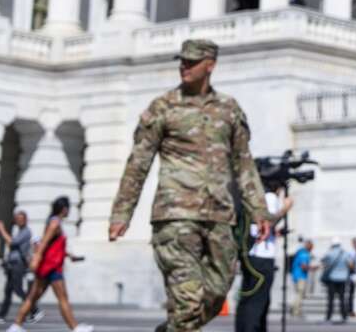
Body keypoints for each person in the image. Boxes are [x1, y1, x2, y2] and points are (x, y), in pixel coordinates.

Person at [108, 38, 269, 332]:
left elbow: (243, 163)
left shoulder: (229, 109)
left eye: (192, 62)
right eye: (182, 61)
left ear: (211, 65)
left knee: (217, 292)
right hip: (175, 216)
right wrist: (122, 214)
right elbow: (138, 164)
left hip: (219, 216)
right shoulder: (162, 107)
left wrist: (259, 210)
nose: (184, 66)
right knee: (188, 302)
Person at [6, 196, 91, 332]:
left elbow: (53, 246)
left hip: (47, 266)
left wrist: (69, 256)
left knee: (33, 297)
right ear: (64, 209)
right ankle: (75, 328)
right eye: (69, 208)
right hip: (51, 267)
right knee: (62, 298)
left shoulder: (54, 222)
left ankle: (16, 326)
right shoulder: (55, 223)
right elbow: (44, 243)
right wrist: (36, 259)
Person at [235, 188, 294, 332]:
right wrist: (285, 208)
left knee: (249, 301)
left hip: (251, 257)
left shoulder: (253, 196)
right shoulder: (269, 197)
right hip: (262, 258)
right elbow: (267, 221)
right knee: (257, 304)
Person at [0, 208, 41, 324]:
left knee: (18, 289)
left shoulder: (26, 232)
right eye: (17, 219)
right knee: (8, 291)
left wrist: (2, 230)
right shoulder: (19, 231)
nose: (19, 221)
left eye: (21, 219)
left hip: (18, 265)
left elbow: (12, 243)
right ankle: (1, 315)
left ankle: (34, 310)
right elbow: (12, 245)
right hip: (12, 264)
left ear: (26, 220)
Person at [320, 238, 353, 323]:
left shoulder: (329, 253)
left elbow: (323, 261)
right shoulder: (345, 253)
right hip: (343, 278)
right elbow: (351, 265)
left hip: (332, 278)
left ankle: (328, 316)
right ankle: (344, 316)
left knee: (331, 298)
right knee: (342, 298)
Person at [290, 238, 316, 317]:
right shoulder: (304, 254)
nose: (312, 248)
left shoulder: (300, 252)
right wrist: (313, 268)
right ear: (308, 246)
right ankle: (296, 311)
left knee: (298, 293)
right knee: (299, 294)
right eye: (311, 246)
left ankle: (296, 309)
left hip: (297, 275)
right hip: (300, 276)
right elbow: (303, 266)